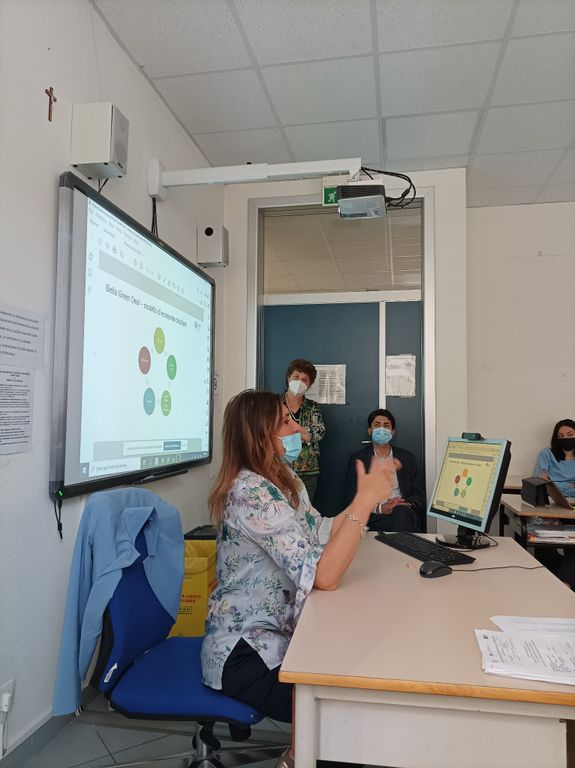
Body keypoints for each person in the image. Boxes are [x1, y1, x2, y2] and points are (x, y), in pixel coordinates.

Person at [201, 390, 395, 768]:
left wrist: (363, 501)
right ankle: (298, 756)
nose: (297, 427)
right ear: (260, 436)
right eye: (285, 422)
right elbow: (324, 576)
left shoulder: (283, 477)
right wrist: (364, 502)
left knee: (353, 664)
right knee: (341, 708)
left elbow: (320, 528)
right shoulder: (251, 492)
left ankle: (302, 750)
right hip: (246, 652)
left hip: (281, 632)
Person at [344, 408, 426, 532]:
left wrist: (406, 504)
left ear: (392, 432)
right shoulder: (358, 459)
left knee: (401, 513)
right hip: (372, 517)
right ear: (370, 430)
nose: (382, 429)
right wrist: (380, 508)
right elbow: (351, 497)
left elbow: (418, 494)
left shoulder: (406, 458)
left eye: (386, 425)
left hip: (402, 513)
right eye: (377, 425)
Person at [535, 418, 575, 588]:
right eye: (561, 436)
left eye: (570, 434)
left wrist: (556, 484)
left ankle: (564, 583)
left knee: (573, 542)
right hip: (552, 506)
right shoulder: (547, 454)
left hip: (572, 509)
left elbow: (551, 483)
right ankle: (562, 581)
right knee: (543, 543)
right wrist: (569, 486)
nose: (565, 438)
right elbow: (541, 482)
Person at [282, 358, 325, 504]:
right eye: (296, 377)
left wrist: (289, 429)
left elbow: (319, 433)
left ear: (309, 385)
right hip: (279, 469)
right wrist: (305, 433)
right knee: (282, 509)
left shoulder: (312, 406)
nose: (300, 382)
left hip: (308, 471)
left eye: (305, 379)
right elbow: (269, 431)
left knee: (305, 510)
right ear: (289, 378)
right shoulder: (274, 403)